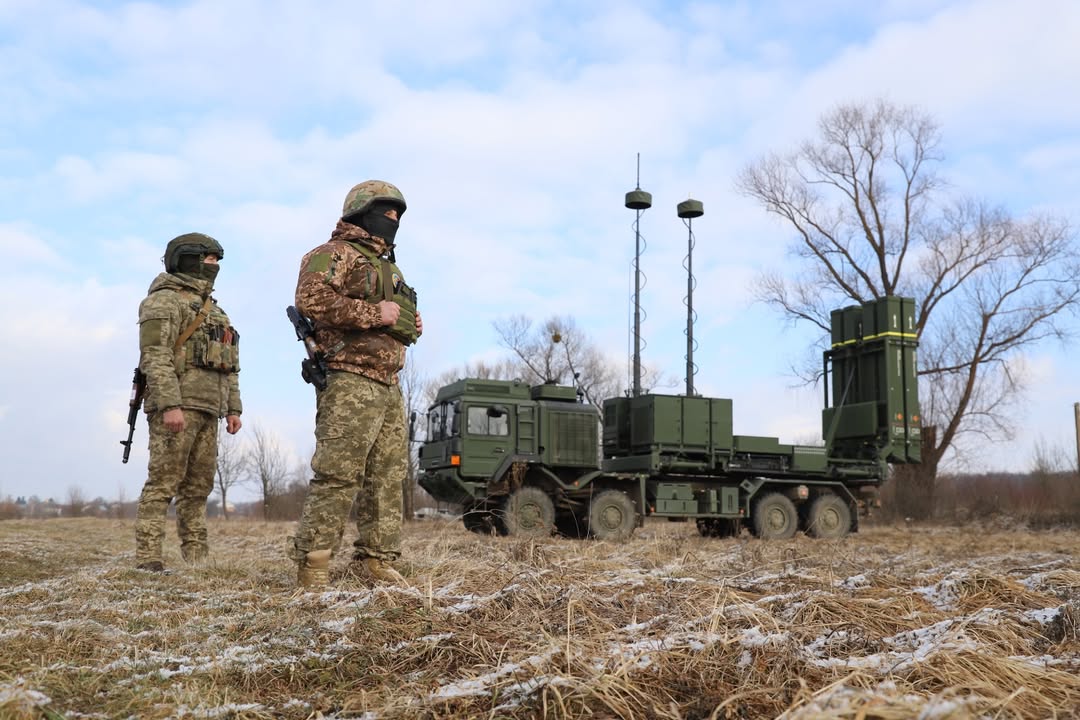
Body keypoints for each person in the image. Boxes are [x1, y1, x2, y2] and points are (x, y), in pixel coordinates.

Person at [289, 180, 422, 589]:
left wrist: (409, 324)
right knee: (338, 473)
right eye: (386, 212)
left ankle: (377, 560)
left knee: (387, 476)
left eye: (398, 214)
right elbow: (310, 300)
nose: (393, 220)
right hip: (349, 378)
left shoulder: (391, 267)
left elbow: (393, 315)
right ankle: (314, 563)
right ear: (361, 211)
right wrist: (374, 313)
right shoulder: (333, 254)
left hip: (388, 383)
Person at [134, 233, 242, 572]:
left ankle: (196, 558)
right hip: (178, 405)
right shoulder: (163, 302)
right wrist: (169, 404)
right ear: (188, 258)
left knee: (198, 488)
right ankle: (148, 558)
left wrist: (234, 408)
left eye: (217, 260)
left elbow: (231, 364)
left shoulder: (217, 311)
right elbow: (155, 356)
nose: (215, 266)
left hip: (210, 407)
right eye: (209, 259)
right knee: (163, 482)